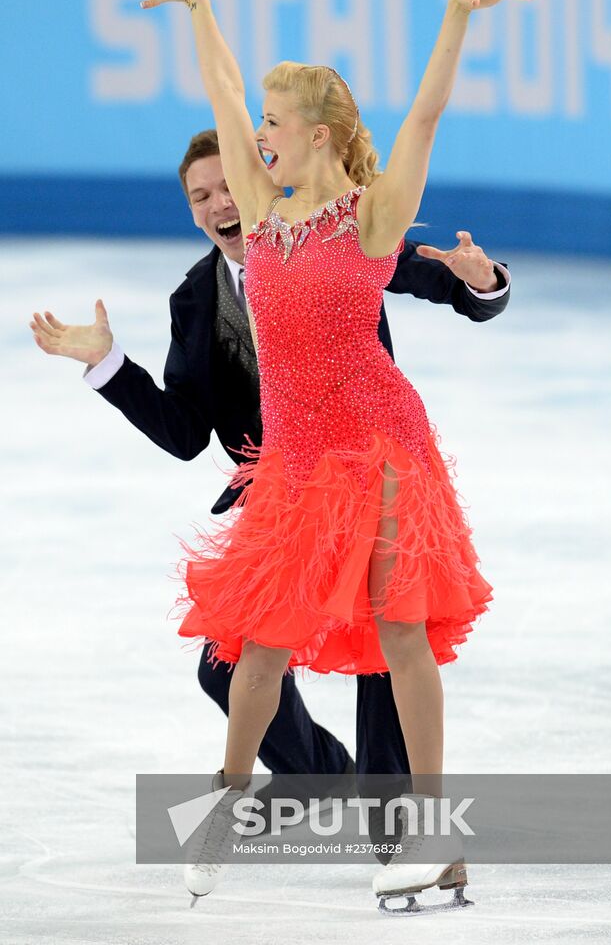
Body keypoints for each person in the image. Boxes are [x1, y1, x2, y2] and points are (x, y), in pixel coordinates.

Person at [29, 131, 511, 790]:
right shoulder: (198, 298)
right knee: (226, 667)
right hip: (286, 503)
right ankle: (325, 778)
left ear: (263, 184)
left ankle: (397, 823)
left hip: (368, 478)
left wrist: (480, 282)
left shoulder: (332, 234)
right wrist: (107, 366)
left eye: (229, 185)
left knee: (385, 647)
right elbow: (184, 433)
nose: (219, 204)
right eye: (200, 196)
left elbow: (444, 284)